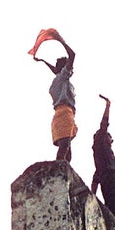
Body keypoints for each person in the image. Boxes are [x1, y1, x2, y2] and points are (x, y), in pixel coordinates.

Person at [33, 30, 77, 161]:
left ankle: (64, 171)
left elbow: (55, 70)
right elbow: (73, 55)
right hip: (65, 113)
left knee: (67, 149)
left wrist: (43, 61)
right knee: (65, 148)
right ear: (64, 68)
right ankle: (58, 171)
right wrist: (61, 40)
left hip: (60, 115)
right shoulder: (63, 77)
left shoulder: (57, 81)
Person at [90, 95, 115, 225]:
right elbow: (104, 124)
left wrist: (92, 194)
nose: (112, 140)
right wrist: (108, 106)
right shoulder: (101, 143)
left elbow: (96, 176)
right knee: (114, 210)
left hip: (114, 180)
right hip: (110, 179)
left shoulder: (104, 155)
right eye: (110, 137)